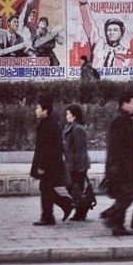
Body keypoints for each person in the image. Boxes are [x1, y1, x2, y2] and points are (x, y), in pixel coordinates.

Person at [30, 95, 74, 226]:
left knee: (46, 189)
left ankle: (48, 216)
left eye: (38, 108)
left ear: (45, 110)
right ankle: (64, 205)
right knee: (46, 189)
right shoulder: (49, 124)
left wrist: (42, 166)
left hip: (49, 165)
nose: (36, 111)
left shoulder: (48, 126)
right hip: (52, 164)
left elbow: (47, 148)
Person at [103, 91, 133, 236]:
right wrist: (114, 167)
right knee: (129, 194)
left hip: (124, 166)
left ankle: (118, 226)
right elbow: (115, 146)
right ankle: (110, 215)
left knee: (122, 195)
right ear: (125, 104)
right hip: (120, 167)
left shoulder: (125, 119)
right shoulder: (119, 120)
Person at [63, 104, 91, 221]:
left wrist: (80, 167)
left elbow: (80, 149)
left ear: (74, 116)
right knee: (73, 188)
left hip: (77, 164)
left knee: (77, 188)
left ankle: (81, 212)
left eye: (68, 114)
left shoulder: (77, 128)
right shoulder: (70, 127)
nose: (66, 116)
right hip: (72, 163)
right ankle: (80, 210)